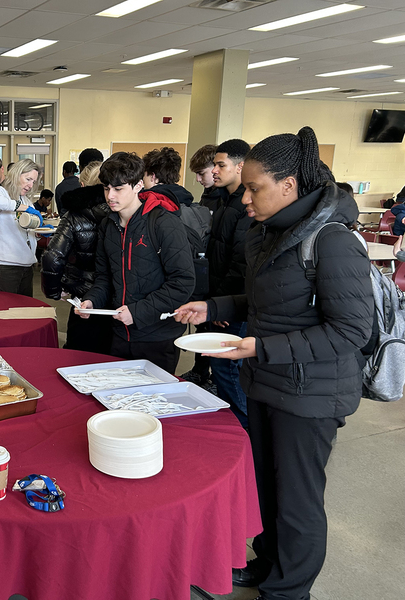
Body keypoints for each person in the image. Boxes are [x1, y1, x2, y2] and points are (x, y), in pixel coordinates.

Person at [174, 126, 373, 600]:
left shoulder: (332, 240)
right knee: (265, 487)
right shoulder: (269, 232)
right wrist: (217, 307)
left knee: (297, 503)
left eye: (254, 187)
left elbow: (350, 331)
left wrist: (260, 348)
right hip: (267, 381)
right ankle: (267, 565)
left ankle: (288, 591)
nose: (245, 197)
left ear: (289, 185)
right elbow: (269, 303)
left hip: (311, 394)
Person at [77, 152, 195, 373]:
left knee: (154, 403)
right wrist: (92, 301)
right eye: (106, 188)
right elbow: (105, 278)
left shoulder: (164, 224)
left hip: (157, 337)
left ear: (139, 185)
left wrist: (138, 312)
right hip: (120, 333)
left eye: (118, 188)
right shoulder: (107, 226)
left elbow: (183, 283)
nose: (110, 195)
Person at [41, 161, 112, 354]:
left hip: (83, 295)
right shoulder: (121, 212)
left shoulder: (74, 215)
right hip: (118, 298)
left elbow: (52, 258)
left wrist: (55, 291)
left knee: (77, 353)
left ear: (82, 185)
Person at [207, 138, 253, 427]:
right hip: (222, 298)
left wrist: (221, 305)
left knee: (228, 369)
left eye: (221, 165)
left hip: (233, 302)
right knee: (222, 367)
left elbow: (240, 262)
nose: (214, 171)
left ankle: (244, 429)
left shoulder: (244, 206)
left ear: (241, 167)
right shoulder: (224, 200)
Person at [180, 143, 220, 392]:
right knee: (202, 327)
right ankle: (200, 370)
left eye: (201, 173)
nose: (197, 179)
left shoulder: (229, 200)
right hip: (205, 270)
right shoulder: (208, 197)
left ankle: (214, 377)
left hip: (218, 275)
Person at [0, 158, 43, 297]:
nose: (30, 185)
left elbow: (25, 231)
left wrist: (38, 232)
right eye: (28, 179)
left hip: (26, 264)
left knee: (24, 310)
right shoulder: (0, 192)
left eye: (33, 182)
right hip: (6, 266)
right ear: (17, 174)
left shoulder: (26, 199)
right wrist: (23, 209)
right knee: (5, 311)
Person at [189, 144, 221, 213]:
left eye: (201, 173)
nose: (198, 179)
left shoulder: (225, 198)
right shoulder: (207, 194)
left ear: (215, 167)